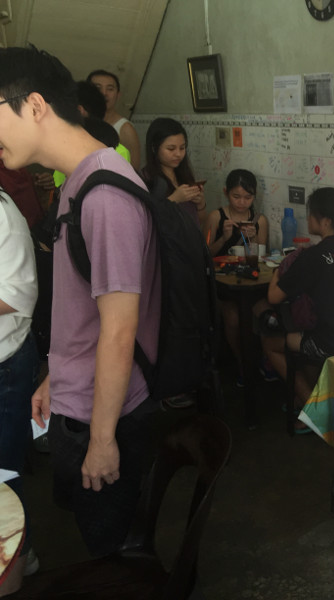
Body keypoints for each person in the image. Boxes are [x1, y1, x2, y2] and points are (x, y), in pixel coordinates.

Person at [0, 46, 161, 557]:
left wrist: (102, 440)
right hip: (82, 398)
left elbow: (119, 328)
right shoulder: (78, 181)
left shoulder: (105, 196)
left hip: (104, 415)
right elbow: (85, 311)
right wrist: (57, 373)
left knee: (110, 555)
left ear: (35, 105)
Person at [263, 187, 334, 414]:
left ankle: (315, 413)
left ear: (325, 221)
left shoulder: (312, 256)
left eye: (310, 214)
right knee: (305, 338)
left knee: (272, 345)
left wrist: (281, 268)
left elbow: (274, 296)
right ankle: (312, 399)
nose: (307, 219)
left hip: (332, 343)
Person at [0, 186, 39, 574]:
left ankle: (19, 562)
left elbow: (16, 295)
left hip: (5, 362)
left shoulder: (2, 213)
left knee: (3, 473)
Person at [203, 169, 268, 386]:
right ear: (226, 193)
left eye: (248, 198)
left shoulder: (259, 220)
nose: (242, 203)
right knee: (232, 316)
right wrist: (225, 238)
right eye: (236, 197)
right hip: (223, 286)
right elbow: (205, 254)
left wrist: (255, 237)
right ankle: (243, 364)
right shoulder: (216, 216)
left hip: (251, 281)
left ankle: (262, 361)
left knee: (265, 310)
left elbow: (262, 256)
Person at [141, 117, 206, 227]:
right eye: (171, 149)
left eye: (182, 148)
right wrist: (174, 199)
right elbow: (146, 221)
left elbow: (200, 222)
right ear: (154, 148)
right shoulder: (146, 179)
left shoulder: (184, 175)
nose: (178, 154)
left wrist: (200, 204)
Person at [87, 69, 141, 171]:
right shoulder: (79, 123)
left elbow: (134, 171)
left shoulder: (125, 129)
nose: (104, 93)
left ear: (118, 95)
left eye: (110, 89)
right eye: (98, 88)